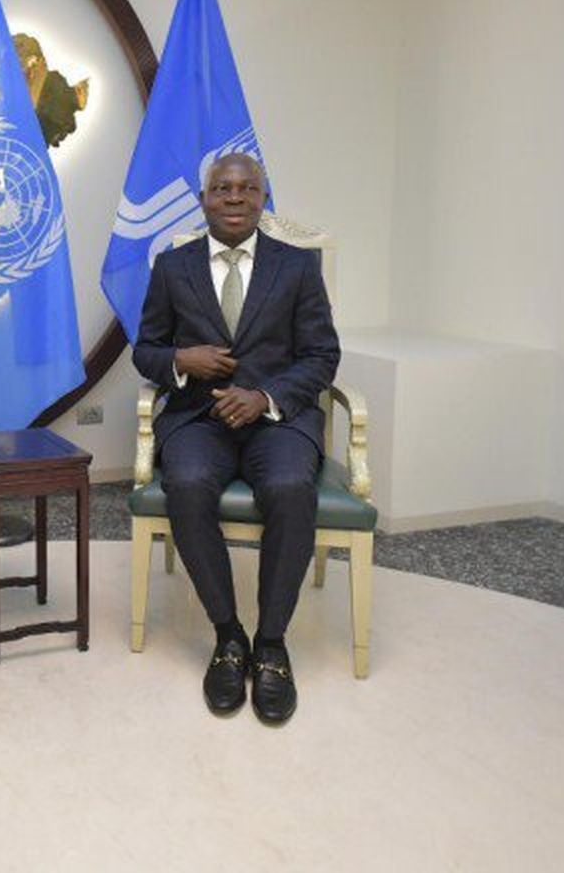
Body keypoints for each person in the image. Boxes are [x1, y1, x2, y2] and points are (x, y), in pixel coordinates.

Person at [131, 153, 340, 724]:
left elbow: (322, 355)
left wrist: (265, 396)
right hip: (199, 418)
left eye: (246, 188)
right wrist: (181, 360)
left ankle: (271, 644)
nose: (233, 196)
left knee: (292, 487)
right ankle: (228, 636)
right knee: (187, 482)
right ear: (204, 199)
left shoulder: (297, 267)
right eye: (222, 187)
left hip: (278, 420)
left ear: (262, 198)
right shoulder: (172, 267)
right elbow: (145, 350)